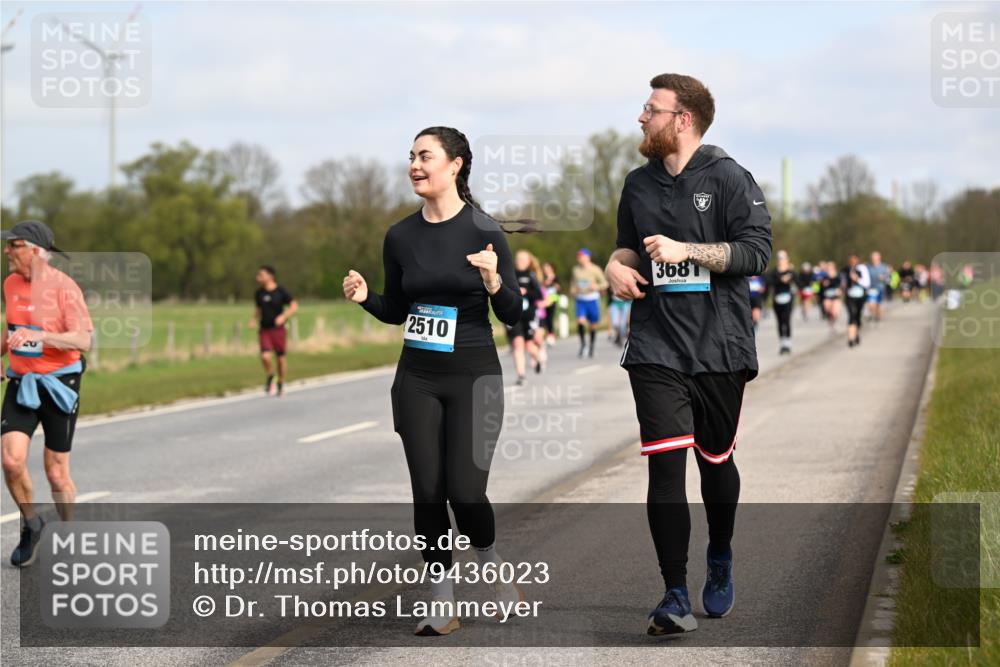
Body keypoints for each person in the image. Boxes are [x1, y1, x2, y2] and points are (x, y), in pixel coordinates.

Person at [605, 73, 771, 635]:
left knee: (715, 463)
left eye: (651, 109)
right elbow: (628, 243)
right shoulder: (637, 184)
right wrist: (614, 266)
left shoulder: (728, 177)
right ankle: (673, 593)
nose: (640, 118)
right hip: (655, 344)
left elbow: (756, 252)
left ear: (682, 119)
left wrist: (687, 251)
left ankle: (719, 553)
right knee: (664, 464)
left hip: (719, 348)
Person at [342, 127, 524, 636]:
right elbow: (397, 309)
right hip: (417, 378)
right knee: (428, 492)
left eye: (426, 156)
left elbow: (514, 314)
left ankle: (495, 573)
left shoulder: (485, 230)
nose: (415, 166)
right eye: (411, 157)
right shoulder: (400, 236)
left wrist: (493, 281)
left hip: (474, 376)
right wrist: (365, 299)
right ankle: (441, 603)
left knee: (466, 493)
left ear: (456, 165)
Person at [1, 220, 93, 567]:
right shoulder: (10, 283)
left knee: (56, 472)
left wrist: (41, 338)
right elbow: (14, 329)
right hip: (21, 382)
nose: (7, 250)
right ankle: (31, 524)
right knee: (11, 461)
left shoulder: (64, 288)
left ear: (38, 252)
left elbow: (83, 339)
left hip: (59, 384)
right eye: (8, 244)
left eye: (15, 245)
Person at [251, 265, 297, 396]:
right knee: (265, 356)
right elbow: (258, 309)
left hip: (278, 329)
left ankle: (281, 381)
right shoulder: (259, 293)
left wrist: (283, 316)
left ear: (270, 276)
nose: (258, 278)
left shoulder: (280, 291)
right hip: (265, 329)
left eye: (261, 275)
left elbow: (294, 305)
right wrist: (254, 319)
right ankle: (271, 375)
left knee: (280, 358)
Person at [507, 250, 545, 385]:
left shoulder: (531, 276)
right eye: (518, 259)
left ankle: (538, 358)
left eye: (523, 259)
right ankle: (521, 375)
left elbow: (539, 296)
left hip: (528, 315)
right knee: (518, 343)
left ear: (529, 262)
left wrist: (526, 292)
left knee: (529, 345)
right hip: (513, 315)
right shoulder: (509, 275)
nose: (520, 262)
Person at [571, 248, 608, 358]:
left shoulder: (595, 269)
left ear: (588, 257)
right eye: (578, 256)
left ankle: (592, 346)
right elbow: (573, 282)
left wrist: (596, 286)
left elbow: (605, 283)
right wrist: (573, 289)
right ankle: (583, 345)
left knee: (593, 325)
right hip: (580, 299)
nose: (579, 258)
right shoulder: (575, 270)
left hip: (592, 299)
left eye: (581, 256)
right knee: (580, 322)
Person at [767, 250, 797, 355]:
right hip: (777, 299)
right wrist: (781, 279)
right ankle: (782, 344)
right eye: (779, 257)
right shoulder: (774, 271)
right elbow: (770, 281)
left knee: (786, 320)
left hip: (788, 298)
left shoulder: (791, 271)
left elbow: (795, 279)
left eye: (783, 257)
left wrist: (788, 277)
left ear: (787, 259)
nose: (781, 260)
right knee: (779, 322)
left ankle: (788, 344)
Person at [842, 253, 871, 348]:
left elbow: (867, 284)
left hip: (860, 296)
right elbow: (842, 282)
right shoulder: (845, 270)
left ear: (858, 260)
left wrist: (857, 279)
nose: (852, 262)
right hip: (849, 296)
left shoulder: (862, 269)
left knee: (857, 317)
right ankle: (851, 338)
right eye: (851, 260)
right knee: (851, 316)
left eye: (854, 260)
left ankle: (856, 333)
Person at [540, 261, 561, 344]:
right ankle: (546, 334)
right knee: (544, 317)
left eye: (547, 268)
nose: (546, 270)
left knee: (550, 317)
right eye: (544, 268)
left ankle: (551, 334)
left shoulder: (555, 277)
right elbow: (540, 286)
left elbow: (558, 287)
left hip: (553, 298)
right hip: (544, 298)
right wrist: (545, 283)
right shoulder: (542, 277)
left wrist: (554, 284)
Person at [866, 251, 890, 322]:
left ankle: (877, 316)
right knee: (871, 304)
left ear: (879, 258)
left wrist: (884, 278)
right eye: (872, 258)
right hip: (871, 288)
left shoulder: (884, 267)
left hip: (880, 288)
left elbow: (888, 278)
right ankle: (872, 314)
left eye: (875, 257)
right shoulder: (868, 266)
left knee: (877, 304)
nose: (874, 259)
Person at [820, 260, 842, 330]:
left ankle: (833, 322)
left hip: (836, 297)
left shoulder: (838, 276)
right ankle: (830, 323)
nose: (829, 269)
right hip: (827, 296)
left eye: (831, 268)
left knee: (835, 312)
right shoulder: (824, 277)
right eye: (828, 268)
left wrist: (840, 290)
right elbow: (818, 287)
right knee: (828, 311)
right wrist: (823, 285)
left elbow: (842, 286)